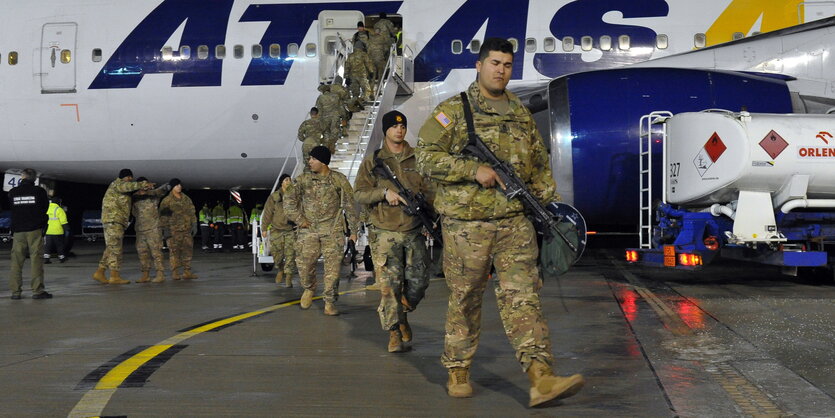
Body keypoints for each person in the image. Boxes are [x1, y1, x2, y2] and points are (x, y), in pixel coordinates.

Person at [415, 38, 584, 406]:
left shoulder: (520, 113)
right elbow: (425, 157)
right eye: (494, 63)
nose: (500, 70)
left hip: (514, 223)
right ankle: (458, 368)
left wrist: (548, 210)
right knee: (465, 298)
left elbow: (538, 167)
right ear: (479, 66)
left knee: (523, 297)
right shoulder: (454, 111)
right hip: (466, 226)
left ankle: (541, 376)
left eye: (506, 65)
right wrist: (472, 169)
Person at [354, 110, 430, 353]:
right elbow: (359, 193)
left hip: (413, 230)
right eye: (395, 126)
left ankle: (403, 311)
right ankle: (394, 332)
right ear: (386, 130)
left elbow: (432, 190)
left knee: (418, 283)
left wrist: (433, 217)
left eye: (403, 126)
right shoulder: (374, 162)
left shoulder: (418, 158)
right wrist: (384, 194)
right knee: (389, 287)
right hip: (384, 232)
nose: (400, 130)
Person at [285, 146, 358, 316]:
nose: (309, 162)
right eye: (309, 159)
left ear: (323, 162)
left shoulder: (339, 180)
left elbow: (351, 206)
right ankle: (309, 287)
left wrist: (354, 231)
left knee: (333, 270)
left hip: (332, 230)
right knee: (304, 264)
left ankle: (330, 302)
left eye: (313, 159)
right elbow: (288, 201)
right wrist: (300, 219)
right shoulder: (302, 180)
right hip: (308, 229)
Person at [93, 169, 152, 285]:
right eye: (129, 177)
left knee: (111, 247)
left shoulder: (121, 187)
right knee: (115, 248)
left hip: (116, 221)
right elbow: (128, 187)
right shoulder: (118, 184)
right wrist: (143, 184)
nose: (130, 179)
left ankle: (100, 272)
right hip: (113, 220)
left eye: (131, 177)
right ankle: (114, 276)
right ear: (123, 177)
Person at [8, 168, 51, 300]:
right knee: (36, 260)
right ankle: (37, 291)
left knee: (16, 262)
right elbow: (45, 208)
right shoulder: (39, 191)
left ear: (22, 177)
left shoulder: (13, 192)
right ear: (34, 178)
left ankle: (15, 292)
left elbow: (12, 208)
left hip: (18, 231)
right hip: (34, 230)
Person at [132, 178, 170, 283]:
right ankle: (145, 275)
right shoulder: (134, 197)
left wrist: (168, 185)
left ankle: (160, 274)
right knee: (142, 252)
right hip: (140, 230)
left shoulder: (153, 194)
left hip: (153, 228)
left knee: (156, 252)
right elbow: (133, 212)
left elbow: (162, 190)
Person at [159, 179, 198, 280]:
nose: (179, 186)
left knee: (188, 251)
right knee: (174, 253)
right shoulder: (167, 201)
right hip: (173, 231)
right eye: (177, 185)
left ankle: (187, 272)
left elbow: (192, 212)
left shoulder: (186, 199)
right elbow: (163, 217)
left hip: (186, 230)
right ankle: (175, 273)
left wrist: (194, 224)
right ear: (172, 187)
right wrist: (166, 230)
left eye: (180, 185)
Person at [261, 174, 295, 287]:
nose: (288, 182)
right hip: (276, 229)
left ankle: (289, 277)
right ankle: (281, 269)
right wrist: (264, 228)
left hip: (290, 230)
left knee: (290, 254)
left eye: (289, 180)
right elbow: (267, 213)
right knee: (277, 255)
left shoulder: (294, 196)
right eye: (286, 180)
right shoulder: (274, 197)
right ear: (281, 182)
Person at [314, 84, 345, 152]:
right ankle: (332, 145)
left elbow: (319, 110)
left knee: (326, 132)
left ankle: (326, 147)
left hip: (325, 118)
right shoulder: (336, 96)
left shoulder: (321, 97)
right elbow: (341, 108)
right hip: (335, 117)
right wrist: (344, 117)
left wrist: (318, 120)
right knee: (334, 130)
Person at [44, 196, 68, 264]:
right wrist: (67, 229)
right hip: (58, 231)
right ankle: (61, 258)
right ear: (58, 202)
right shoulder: (59, 209)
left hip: (48, 231)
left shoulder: (46, 208)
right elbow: (63, 221)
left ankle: (46, 258)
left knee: (47, 246)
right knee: (59, 245)